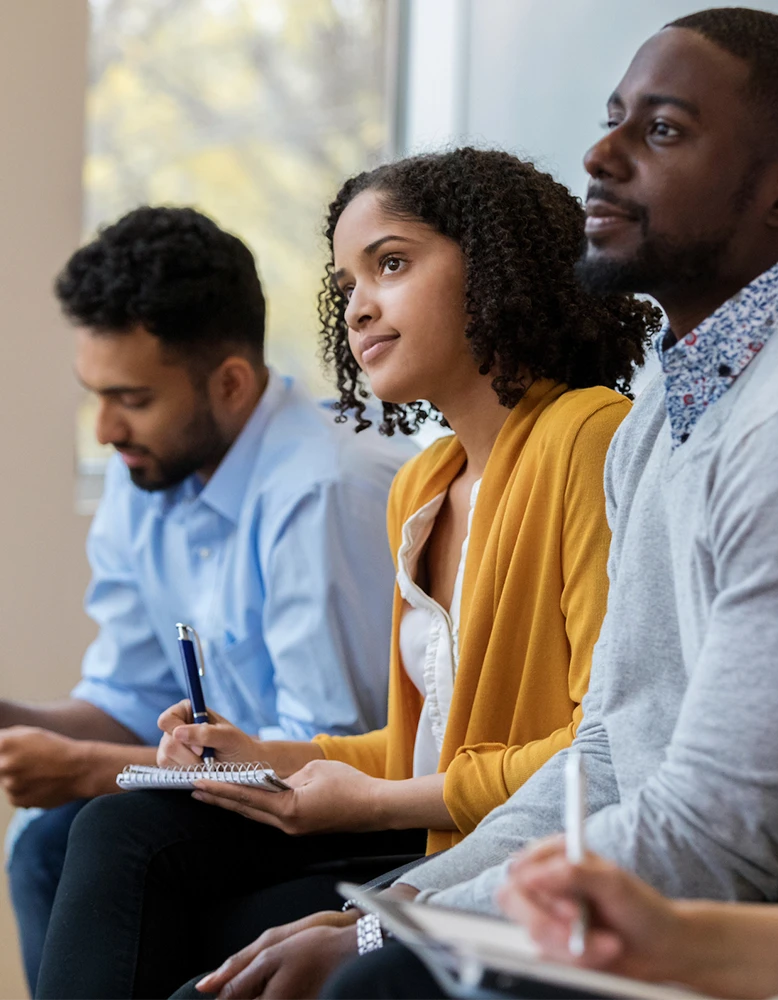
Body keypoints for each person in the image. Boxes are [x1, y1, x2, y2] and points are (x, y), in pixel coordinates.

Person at [174, 9, 778, 1000]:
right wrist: (380, 917)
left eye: (661, 129)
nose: (599, 152)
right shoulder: (671, 403)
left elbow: (713, 838)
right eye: (614, 118)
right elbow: (611, 749)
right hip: (653, 887)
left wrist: (388, 940)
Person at [32, 147, 659, 1000]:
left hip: (504, 842)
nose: (361, 307)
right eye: (344, 287)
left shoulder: (588, 437)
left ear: (496, 264)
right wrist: (265, 758)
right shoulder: (425, 483)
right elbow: (414, 752)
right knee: (118, 830)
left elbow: (604, 749)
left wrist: (366, 806)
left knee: (193, 948)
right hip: (430, 829)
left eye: (391, 264)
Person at [0, 205, 411, 995]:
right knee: (42, 839)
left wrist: (87, 769)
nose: (106, 430)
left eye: (132, 399)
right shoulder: (148, 470)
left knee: (98, 831)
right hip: (252, 800)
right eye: (96, 395)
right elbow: (127, 701)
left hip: (359, 816)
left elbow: (335, 761)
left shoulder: (322, 490)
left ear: (230, 382)